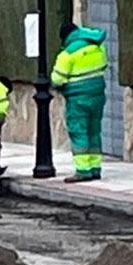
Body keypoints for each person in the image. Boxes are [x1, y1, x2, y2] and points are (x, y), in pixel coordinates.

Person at [52, 23, 108, 183]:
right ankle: (95, 168)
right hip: (97, 96)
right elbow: (103, 66)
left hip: (78, 99)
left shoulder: (68, 54)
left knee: (79, 132)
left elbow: (57, 79)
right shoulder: (97, 47)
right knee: (94, 131)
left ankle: (83, 170)